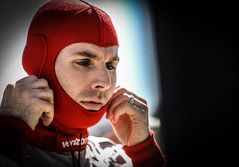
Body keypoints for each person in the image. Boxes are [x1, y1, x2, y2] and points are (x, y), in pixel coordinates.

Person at [0, 0, 166, 166]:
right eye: (84, 62)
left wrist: (144, 152)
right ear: (40, 62)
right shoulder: (9, 149)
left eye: (110, 65)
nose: (106, 82)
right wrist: (10, 135)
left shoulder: (122, 160)